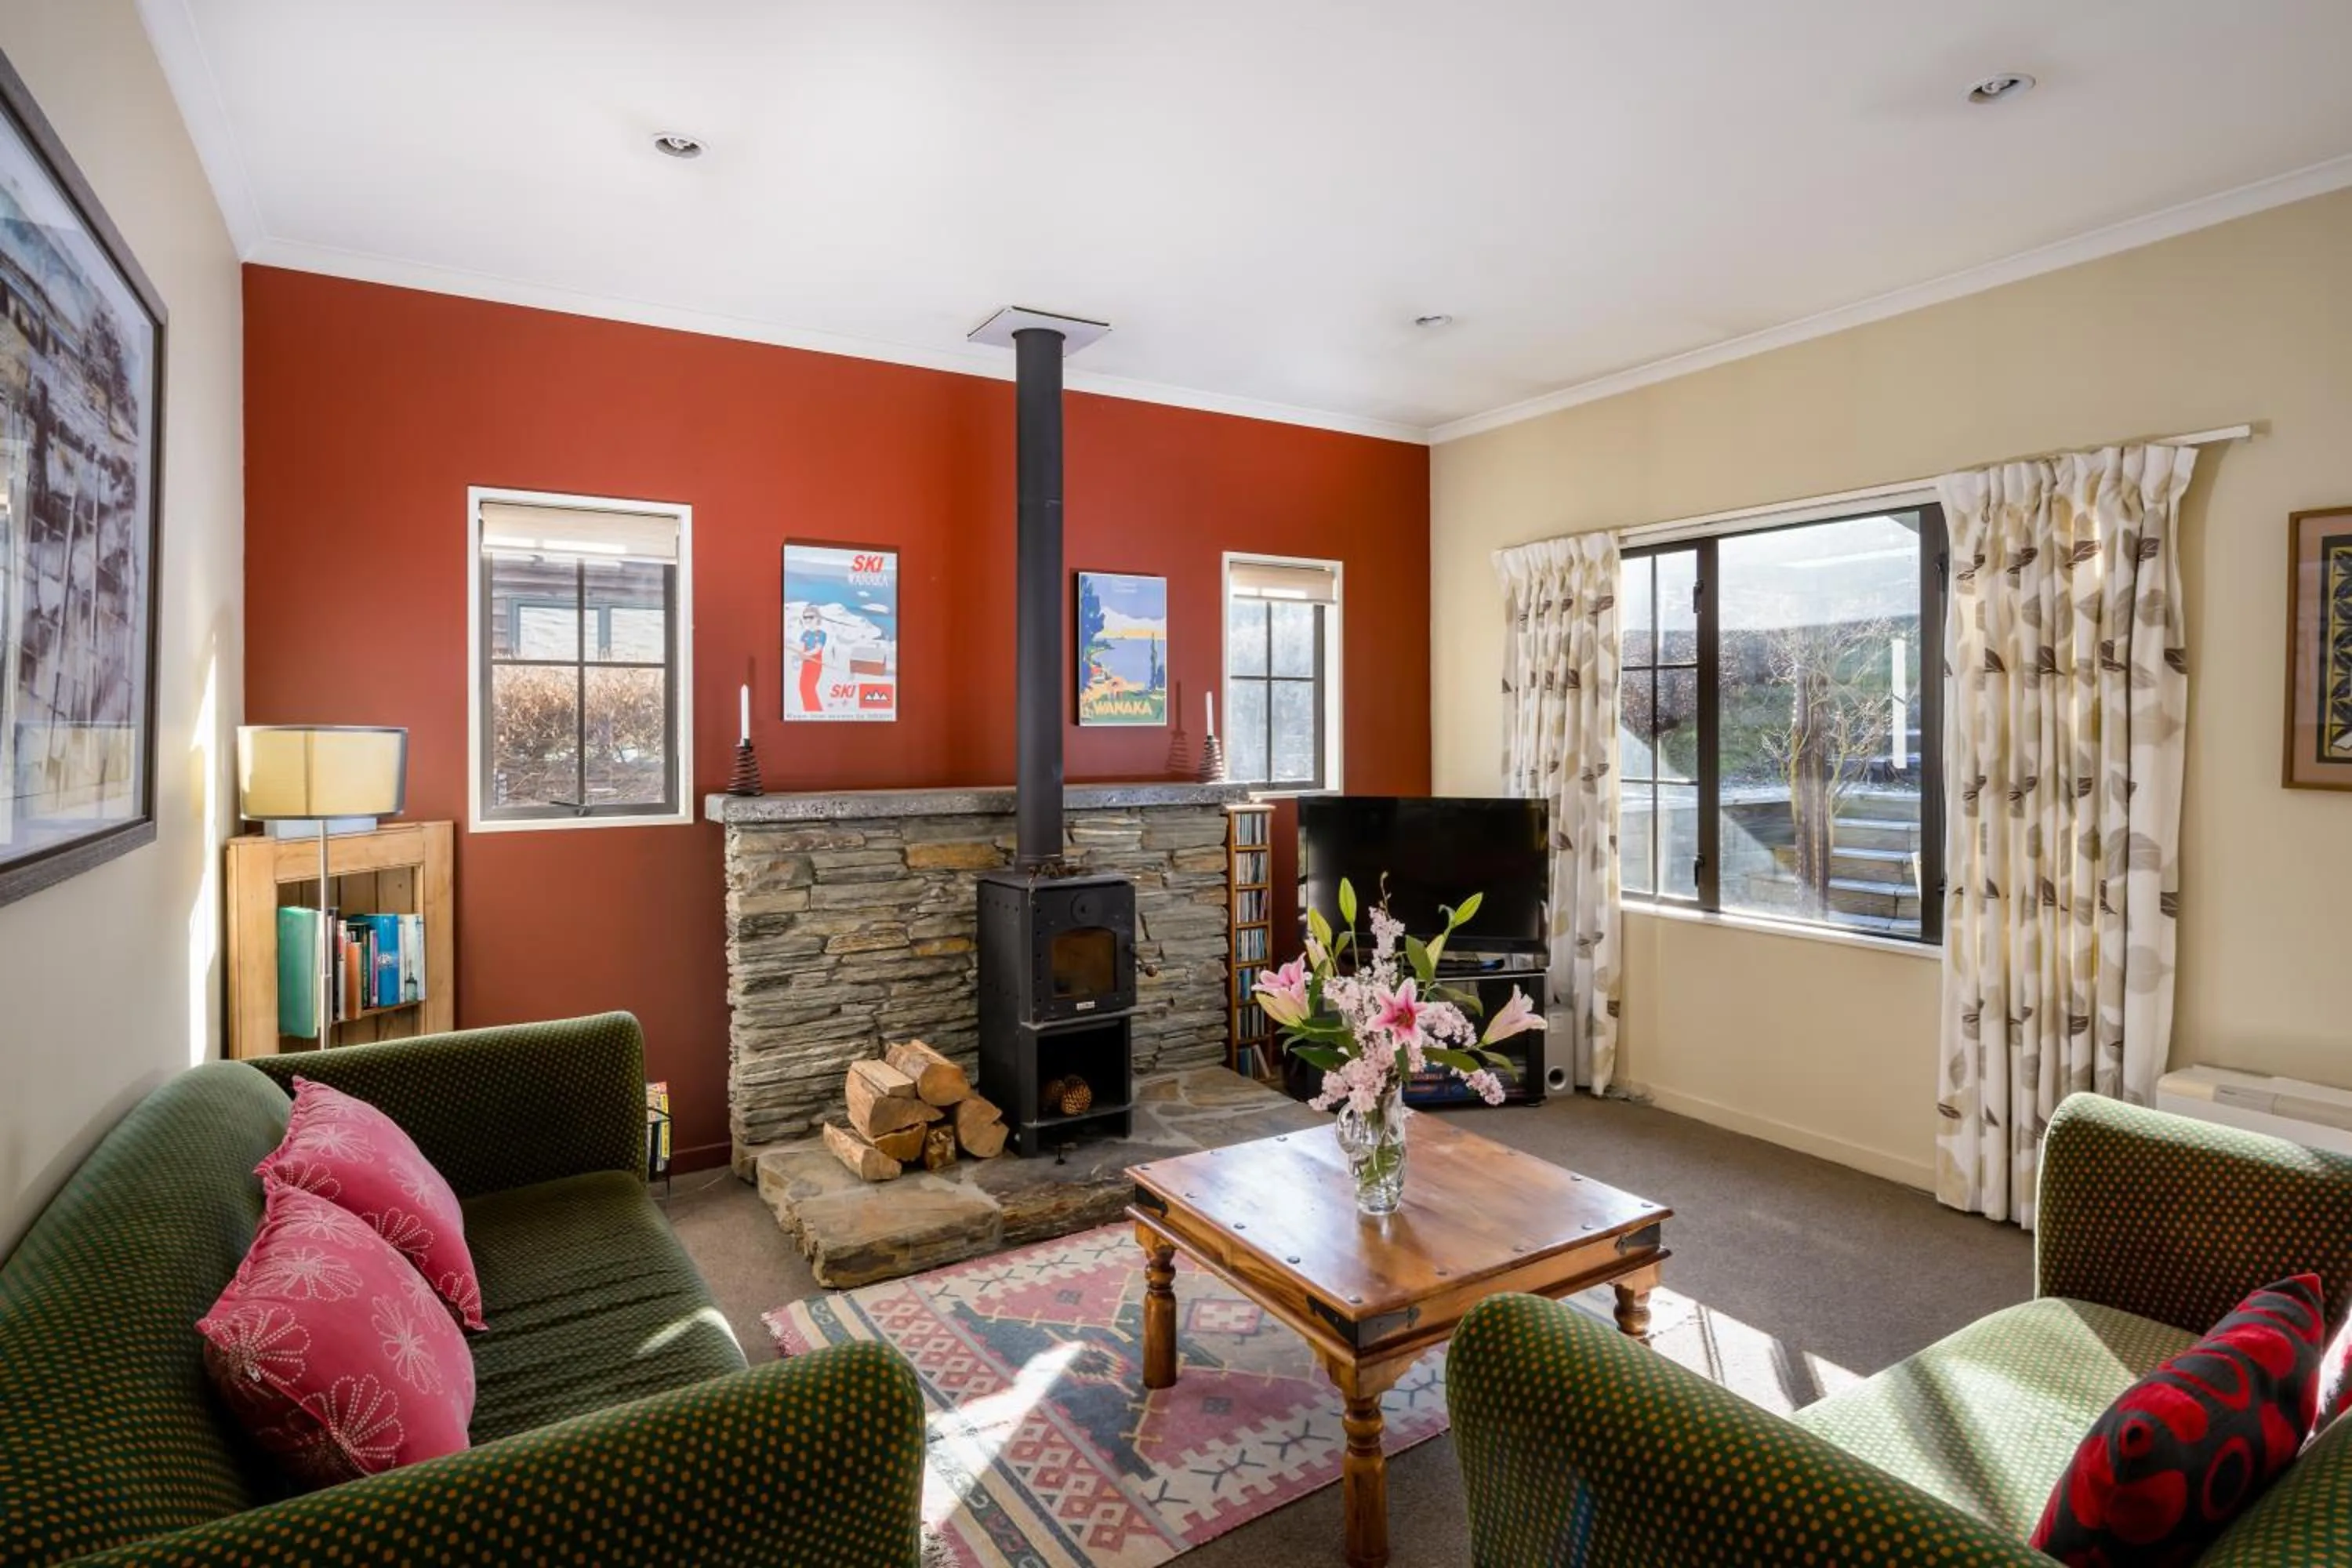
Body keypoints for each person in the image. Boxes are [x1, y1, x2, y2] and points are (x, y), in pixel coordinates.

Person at [792, 605, 829, 714]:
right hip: (806, 664)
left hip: (815, 664)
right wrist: (798, 656)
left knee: (809, 688)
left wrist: (805, 655)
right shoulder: (805, 634)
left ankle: (816, 711)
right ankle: (809, 711)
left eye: (810, 617)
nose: (807, 620)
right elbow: (800, 648)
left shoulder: (821, 634)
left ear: (817, 618)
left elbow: (817, 650)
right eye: (805, 617)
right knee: (802, 687)